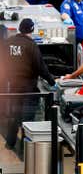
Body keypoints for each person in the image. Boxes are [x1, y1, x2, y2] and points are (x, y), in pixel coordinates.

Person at [0, 19, 56, 149]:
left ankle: (10, 143)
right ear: (31, 30)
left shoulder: (8, 43)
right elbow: (40, 67)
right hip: (29, 88)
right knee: (28, 117)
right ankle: (27, 145)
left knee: (14, 115)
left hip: (13, 86)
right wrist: (52, 81)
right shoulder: (31, 45)